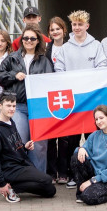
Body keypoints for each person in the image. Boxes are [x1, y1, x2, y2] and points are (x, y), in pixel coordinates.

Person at [55, 10, 107, 186]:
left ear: (87, 26)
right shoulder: (65, 48)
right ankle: (72, 174)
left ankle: (91, 172)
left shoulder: (97, 45)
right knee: (71, 138)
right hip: (73, 100)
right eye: (74, 24)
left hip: (92, 99)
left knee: (93, 137)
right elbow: (59, 70)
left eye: (80, 24)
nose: (77, 27)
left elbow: (102, 66)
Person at [0, 23, 54, 172]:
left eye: (32, 38)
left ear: (38, 40)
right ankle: (20, 176)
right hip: (19, 106)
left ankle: (38, 178)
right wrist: (14, 76)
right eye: (25, 38)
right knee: (18, 141)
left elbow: (50, 82)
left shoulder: (44, 60)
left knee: (39, 144)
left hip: (38, 107)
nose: (29, 41)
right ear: (21, 40)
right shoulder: (12, 58)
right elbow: (0, 76)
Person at [0, 92, 57, 202]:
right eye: (8, 106)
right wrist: (1, 183)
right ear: (0, 106)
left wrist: (24, 147)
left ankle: (14, 186)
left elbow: (12, 146)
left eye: (14, 106)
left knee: (50, 190)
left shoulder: (11, 122)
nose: (12, 109)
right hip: (10, 169)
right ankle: (7, 187)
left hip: (21, 165)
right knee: (47, 179)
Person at [45, 16, 70, 183]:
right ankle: (51, 171)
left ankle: (64, 171)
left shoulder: (70, 47)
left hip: (67, 94)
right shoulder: (45, 49)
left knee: (65, 137)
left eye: (58, 29)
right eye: (52, 29)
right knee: (50, 135)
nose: (55, 32)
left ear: (64, 30)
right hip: (50, 94)